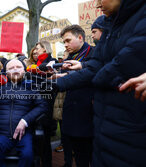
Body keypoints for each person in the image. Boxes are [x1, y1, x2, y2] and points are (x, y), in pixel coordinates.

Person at [53, 0, 146, 166]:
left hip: (134, 128)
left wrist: (89, 69)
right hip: (106, 128)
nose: (97, 4)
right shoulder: (112, 24)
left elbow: (111, 67)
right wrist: (53, 84)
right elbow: (97, 66)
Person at [0, 59, 48, 167]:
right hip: (2, 135)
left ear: (24, 71)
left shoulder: (32, 88)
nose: (15, 69)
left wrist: (25, 121)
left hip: (24, 135)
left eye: (18, 67)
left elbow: (42, 106)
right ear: (5, 73)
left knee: (27, 154)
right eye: (11, 68)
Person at [60, 25, 94, 167]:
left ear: (80, 37)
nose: (66, 45)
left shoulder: (95, 53)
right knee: (80, 159)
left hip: (90, 116)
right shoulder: (69, 58)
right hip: (72, 117)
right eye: (64, 42)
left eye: (68, 40)